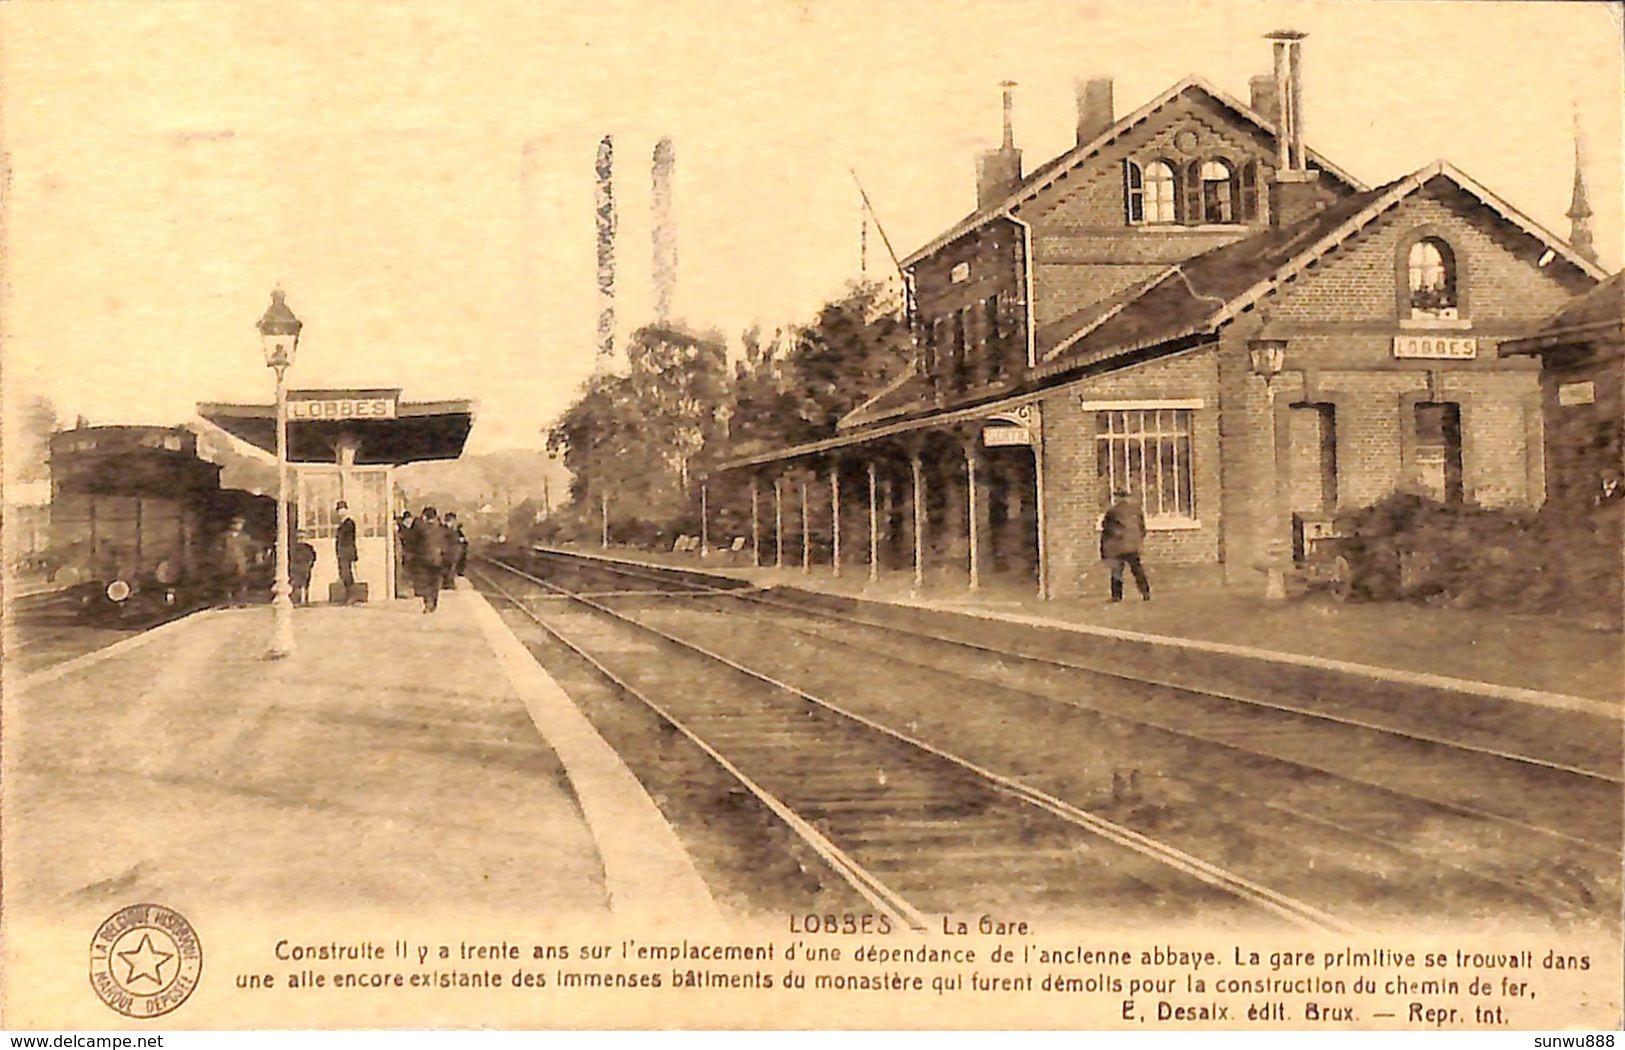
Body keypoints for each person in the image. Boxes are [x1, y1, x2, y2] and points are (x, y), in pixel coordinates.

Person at [1100, 488, 1151, 603]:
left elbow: (1106, 526)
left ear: (1117, 498)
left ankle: (1117, 596)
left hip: (1118, 546)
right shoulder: (1136, 510)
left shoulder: (1112, 512)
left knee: (1117, 571)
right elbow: (1142, 528)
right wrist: (1138, 540)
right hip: (1132, 545)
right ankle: (1145, 592)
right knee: (1137, 569)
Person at [408, 506, 451, 613]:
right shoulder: (441, 529)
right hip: (438, 559)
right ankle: (434, 602)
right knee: (435, 582)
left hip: (423, 559)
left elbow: (412, 540)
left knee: (425, 582)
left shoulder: (420, 527)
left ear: (424, 516)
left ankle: (428, 603)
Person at [218, 516, 258, 607]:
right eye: (236, 524)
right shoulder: (225, 537)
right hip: (227, 562)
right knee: (228, 582)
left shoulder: (245, 537)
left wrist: (247, 560)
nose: (238, 526)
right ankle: (229, 602)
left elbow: (250, 549)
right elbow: (219, 549)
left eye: (240, 525)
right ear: (232, 525)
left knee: (242, 582)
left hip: (240, 562)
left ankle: (242, 601)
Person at [334, 501, 359, 604]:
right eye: (339, 510)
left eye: (342, 510)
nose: (340, 512)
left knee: (347, 573)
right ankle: (348, 595)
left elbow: (348, 540)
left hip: (346, 552)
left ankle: (351, 595)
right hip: (342, 552)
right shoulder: (342, 523)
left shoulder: (349, 523)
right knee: (343, 573)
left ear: (346, 510)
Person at [290, 529, 317, 606]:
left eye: (303, 538)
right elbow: (291, 557)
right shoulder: (294, 548)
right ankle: (297, 600)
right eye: (299, 538)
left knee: (306, 585)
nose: (301, 540)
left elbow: (313, 557)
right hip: (296, 568)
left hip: (305, 568)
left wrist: (310, 564)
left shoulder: (308, 548)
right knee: (296, 585)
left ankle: (306, 600)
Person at [442, 512, 469, 586]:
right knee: (448, 568)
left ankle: (450, 580)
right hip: (447, 553)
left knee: (451, 568)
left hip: (452, 553)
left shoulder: (453, 530)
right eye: (453, 521)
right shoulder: (444, 529)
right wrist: (458, 540)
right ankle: (448, 583)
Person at [395, 510, 416, 598]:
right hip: (404, 553)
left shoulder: (406, 529)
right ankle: (402, 590)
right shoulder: (403, 529)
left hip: (406, 552)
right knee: (403, 572)